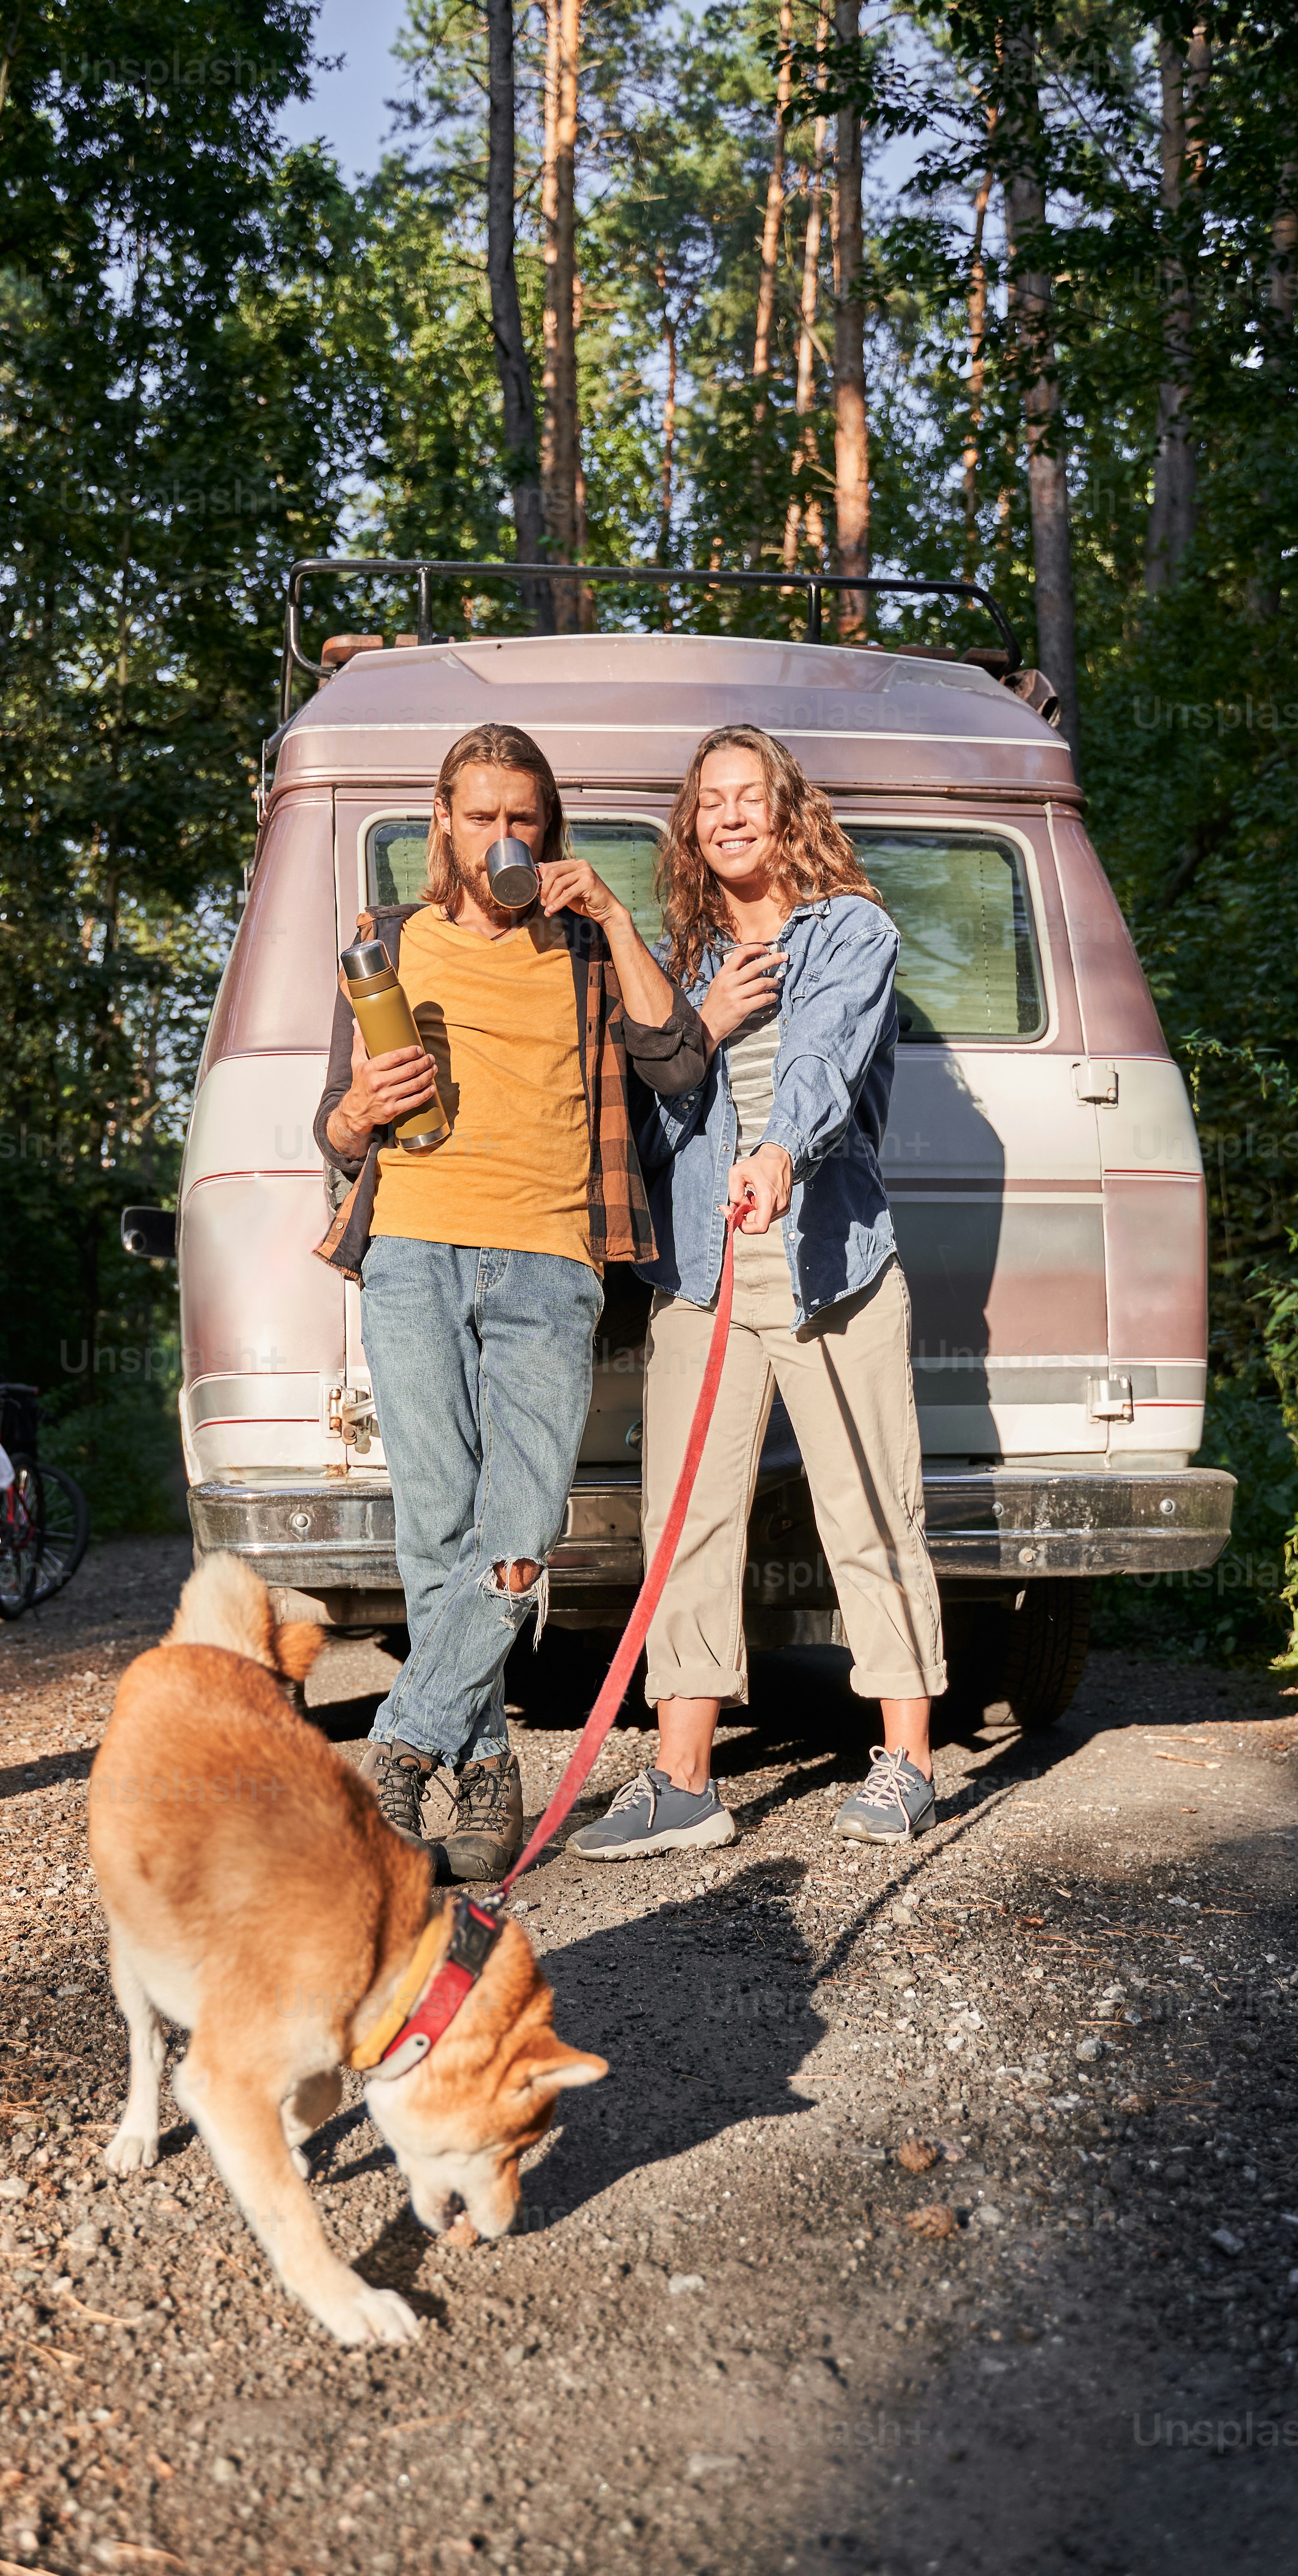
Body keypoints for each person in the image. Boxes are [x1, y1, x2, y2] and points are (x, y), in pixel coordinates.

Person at [313, 720, 709, 1886]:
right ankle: (484, 1772)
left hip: (549, 1259)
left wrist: (622, 921)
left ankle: (399, 1748)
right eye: (478, 816)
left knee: (521, 1533)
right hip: (412, 1251)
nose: (499, 838)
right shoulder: (384, 944)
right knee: (433, 1528)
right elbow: (331, 1128)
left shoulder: (587, 948)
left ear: (547, 831)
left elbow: (677, 1061)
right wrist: (355, 1116)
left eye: (520, 820)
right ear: (442, 824)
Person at [569, 722, 947, 1859]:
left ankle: (909, 1763)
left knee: (868, 1509)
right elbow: (641, 1117)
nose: (728, 814)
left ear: (787, 812)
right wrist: (705, 1022)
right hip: (703, 1272)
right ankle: (683, 1781)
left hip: (829, 1264)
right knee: (686, 1519)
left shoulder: (851, 930)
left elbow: (823, 1059)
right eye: (708, 801)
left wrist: (778, 1152)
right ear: (691, 829)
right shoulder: (686, 967)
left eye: (749, 795)